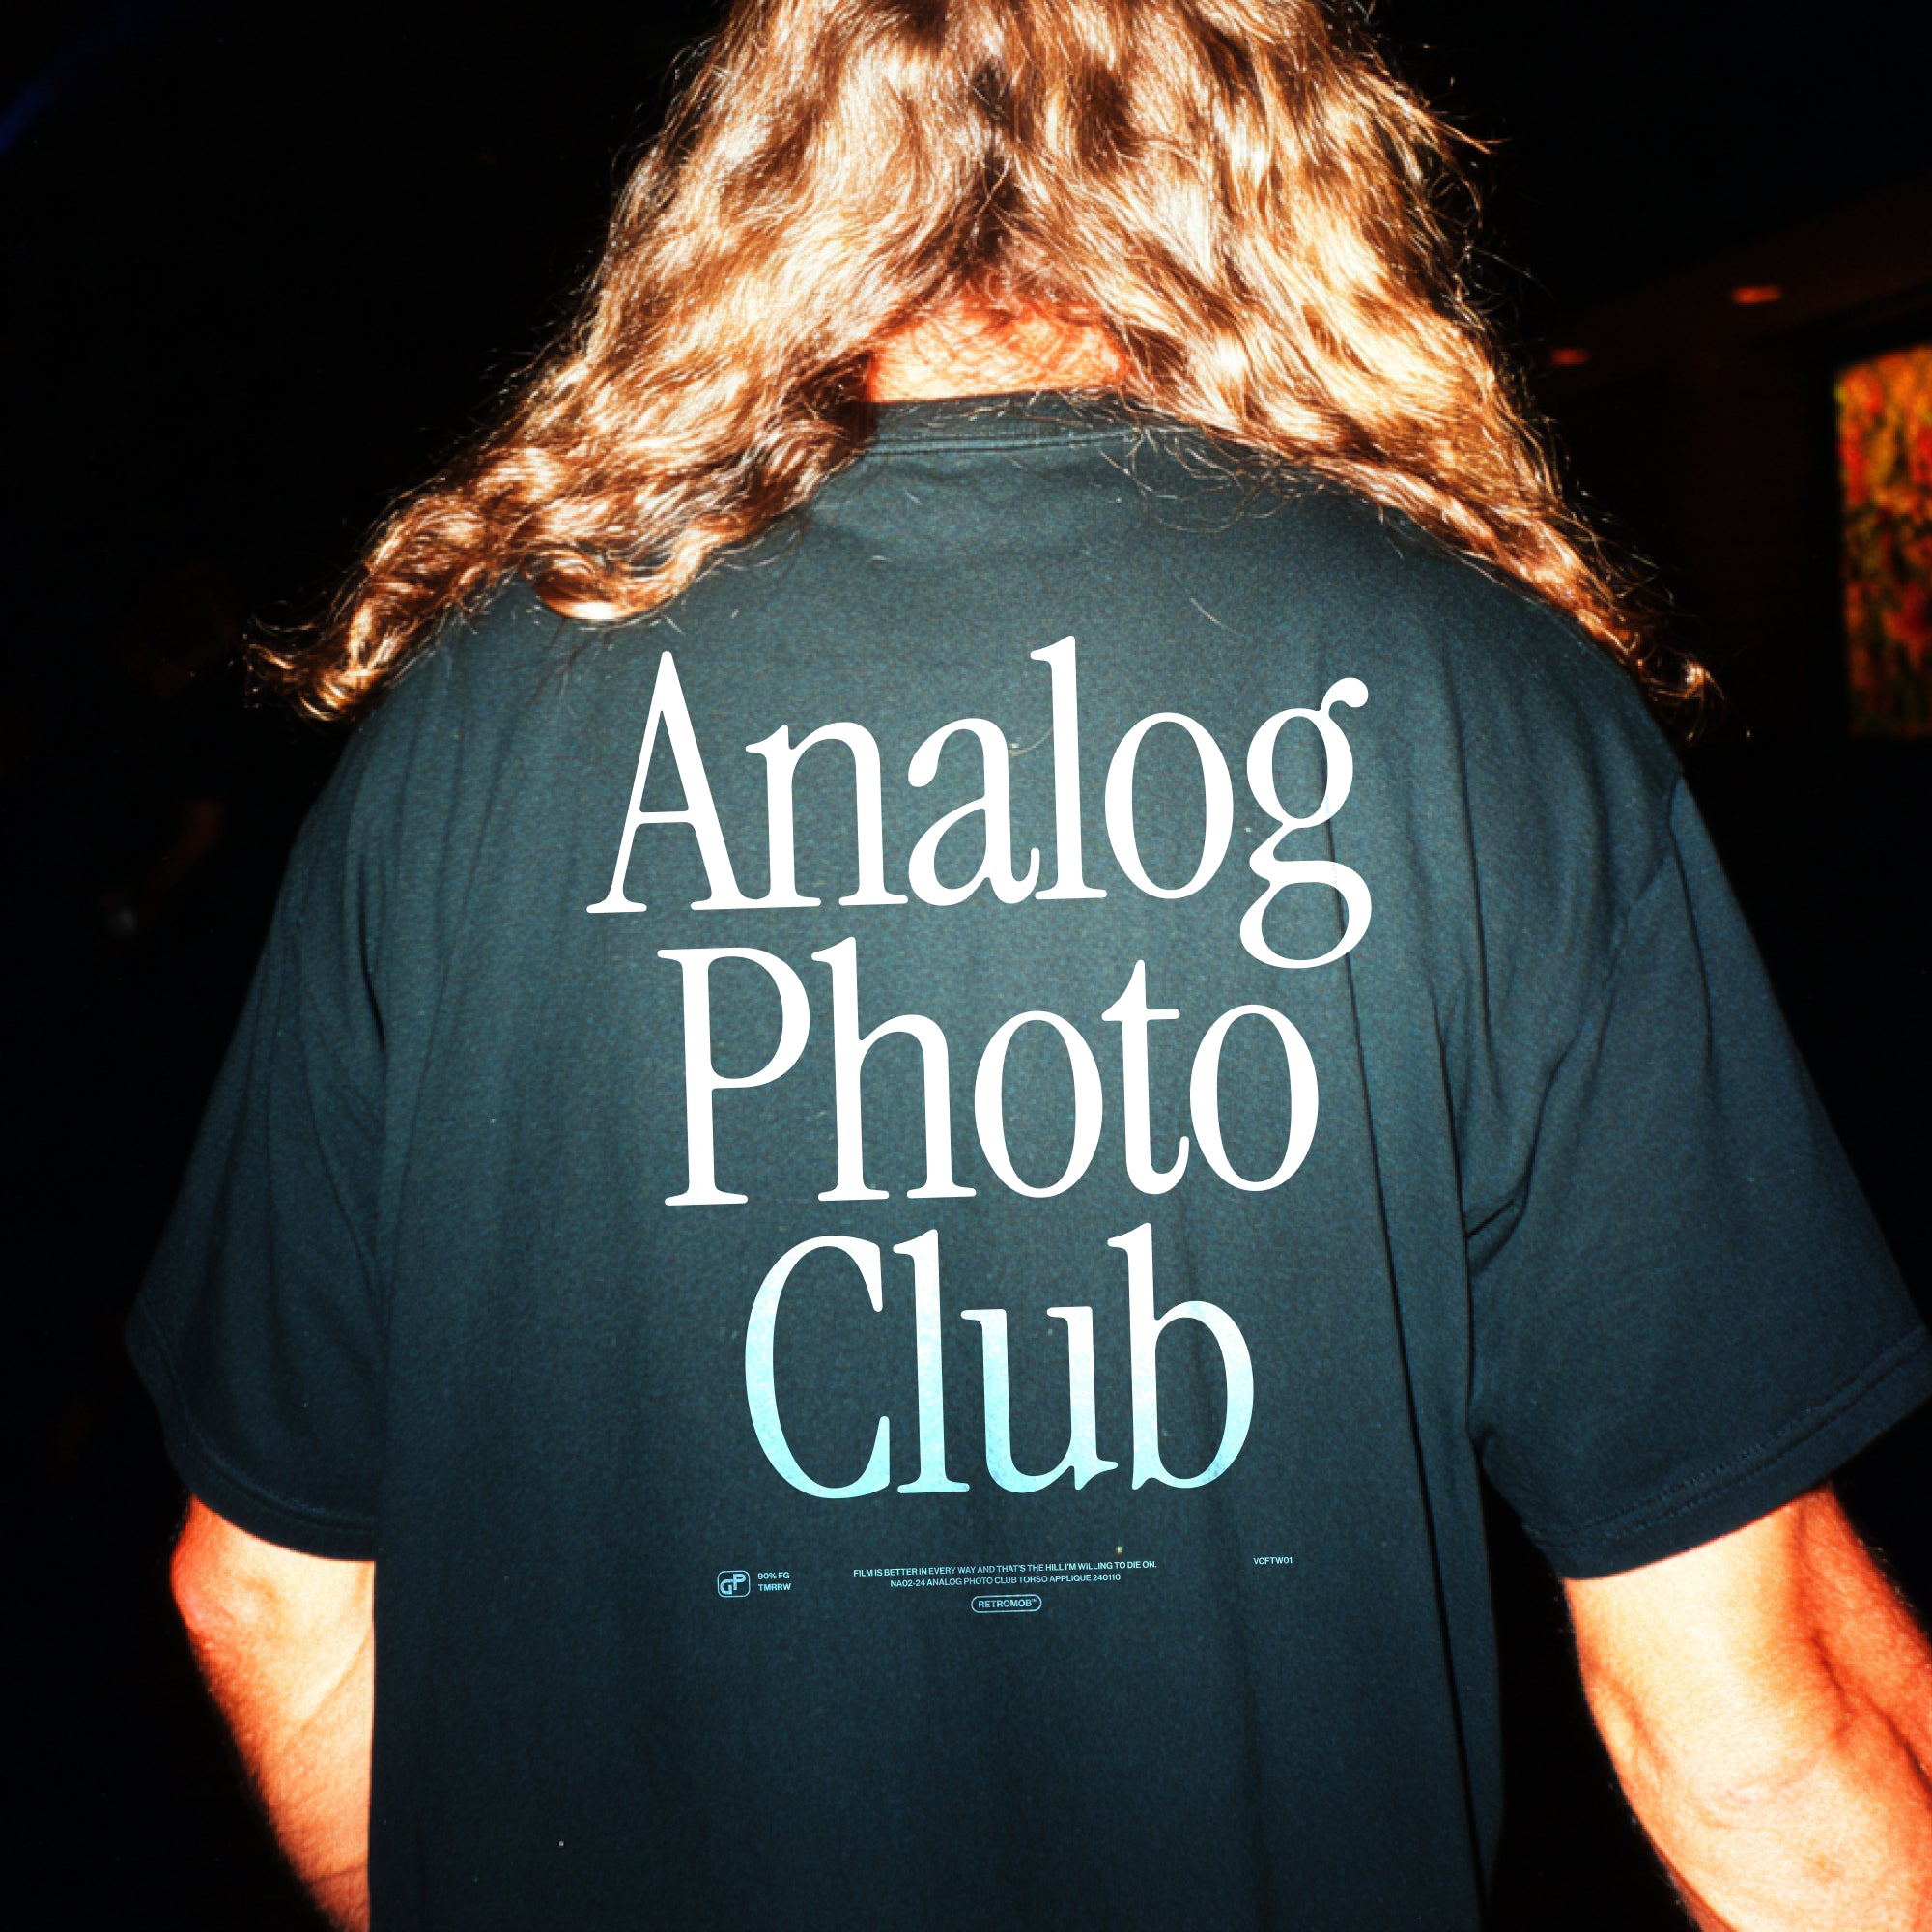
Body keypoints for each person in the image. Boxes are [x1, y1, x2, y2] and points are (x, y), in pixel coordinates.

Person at [134, 3, 1932, 1927]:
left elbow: (266, 1594)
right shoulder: (1480, 700)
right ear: (1272, 126)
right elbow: (1751, 1728)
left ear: (766, 141)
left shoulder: (470, 732)